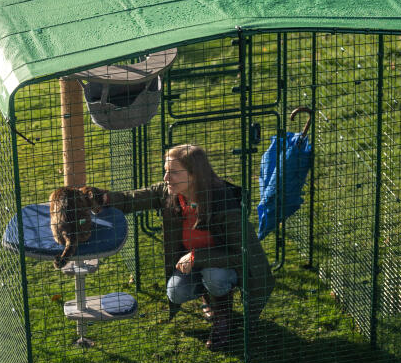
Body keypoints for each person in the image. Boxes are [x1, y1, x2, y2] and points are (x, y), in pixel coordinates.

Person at [107, 144, 275, 350]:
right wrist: (101, 198)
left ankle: (224, 321)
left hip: (227, 265)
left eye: (174, 172)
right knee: (175, 292)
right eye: (166, 171)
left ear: (195, 175)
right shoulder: (170, 193)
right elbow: (130, 200)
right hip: (193, 262)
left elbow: (241, 255)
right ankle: (209, 296)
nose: (166, 178)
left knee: (215, 276)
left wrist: (197, 257)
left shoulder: (224, 201)